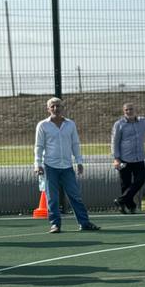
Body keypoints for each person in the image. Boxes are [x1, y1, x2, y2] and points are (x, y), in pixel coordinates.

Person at [34, 97, 100, 233]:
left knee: (75, 196)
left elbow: (75, 144)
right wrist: (37, 164)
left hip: (67, 166)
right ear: (48, 109)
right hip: (50, 166)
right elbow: (39, 146)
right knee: (52, 198)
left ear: (62, 108)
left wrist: (79, 161)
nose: (55, 108)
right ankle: (55, 224)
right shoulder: (43, 125)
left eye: (58, 106)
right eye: (52, 106)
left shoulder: (70, 124)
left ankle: (84, 223)